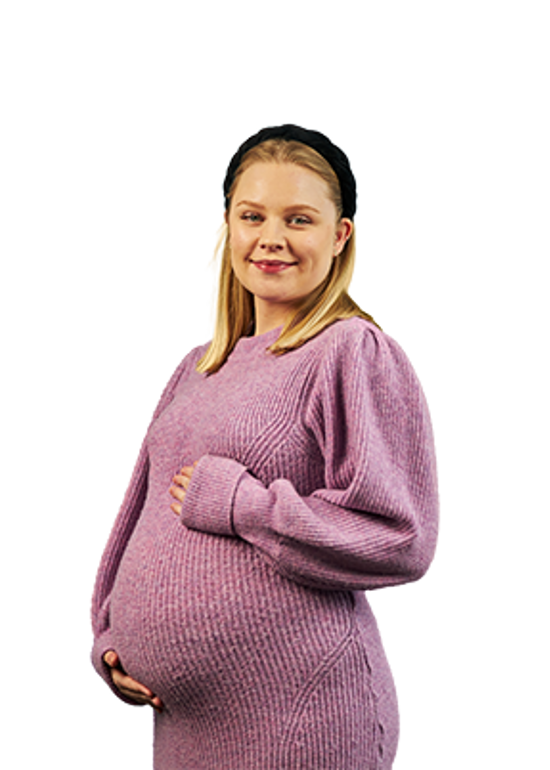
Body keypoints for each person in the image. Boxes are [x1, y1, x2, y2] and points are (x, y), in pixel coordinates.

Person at [87, 121, 442, 769]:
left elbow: (401, 537)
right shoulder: (195, 364)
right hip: (183, 731)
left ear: (341, 236)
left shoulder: (351, 351)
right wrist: (107, 638)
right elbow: (132, 516)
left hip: (301, 716)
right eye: (253, 216)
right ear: (228, 227)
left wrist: (245, 505)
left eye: (299, 219)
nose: (271, 238)